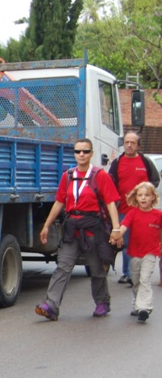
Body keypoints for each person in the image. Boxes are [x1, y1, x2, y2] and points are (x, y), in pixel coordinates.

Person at [35, 138, 123, 321]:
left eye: (85, 151)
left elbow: (111, 203)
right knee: (63, 266)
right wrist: (46, 225)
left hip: (93, 228)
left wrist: (116, 229)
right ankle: (51, 306)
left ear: (91, 154)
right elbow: (59, 202)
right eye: (77, 151)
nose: (81, 155)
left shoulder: (100, 176)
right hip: (72, 228)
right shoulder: (67, 176)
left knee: (97, 268)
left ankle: (102, 302)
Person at [107, 131, 161, 286]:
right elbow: (110, 184)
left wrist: (146, 194)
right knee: (125, 241)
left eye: (132, 142)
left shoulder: (145, 161)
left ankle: (133, 272)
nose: (129, 145)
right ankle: (128, 273)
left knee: (138, 240)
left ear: (138, 145)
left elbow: (155, 180)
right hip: (123, 209)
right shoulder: (117, 162)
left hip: (143, 210)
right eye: (126, 142)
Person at [118, 182, 162, 322]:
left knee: (145, 279)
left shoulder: (158, 214)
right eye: (140, 195)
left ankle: (144, 307)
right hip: (134, 253)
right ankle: (137, 304)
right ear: (135, 197)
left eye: (147, 195)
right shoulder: (132, 213)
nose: (143, 198)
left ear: (153, 198)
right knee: (136, 280)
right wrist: (117, 234)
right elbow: (124, 226)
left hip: (150, 252)